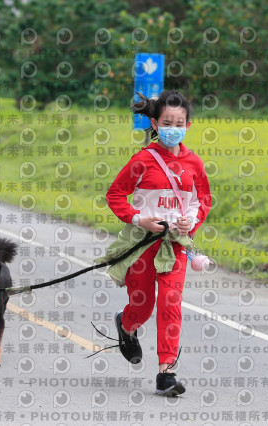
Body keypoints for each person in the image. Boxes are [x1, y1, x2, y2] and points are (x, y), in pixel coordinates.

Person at [95, 89, 211, 397]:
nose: (174, 128)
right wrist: (138, 219)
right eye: (167, 122)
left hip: (174, 246)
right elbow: (115, 195)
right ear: (156, 124)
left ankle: (166, 372)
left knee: (170, 303)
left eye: (179, 123)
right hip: (142, 246)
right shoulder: (142, 160)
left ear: (188, 126)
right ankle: (127, 325)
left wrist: (190, 223)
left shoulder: (194, 163)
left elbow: (202, 200)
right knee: (143, 305)